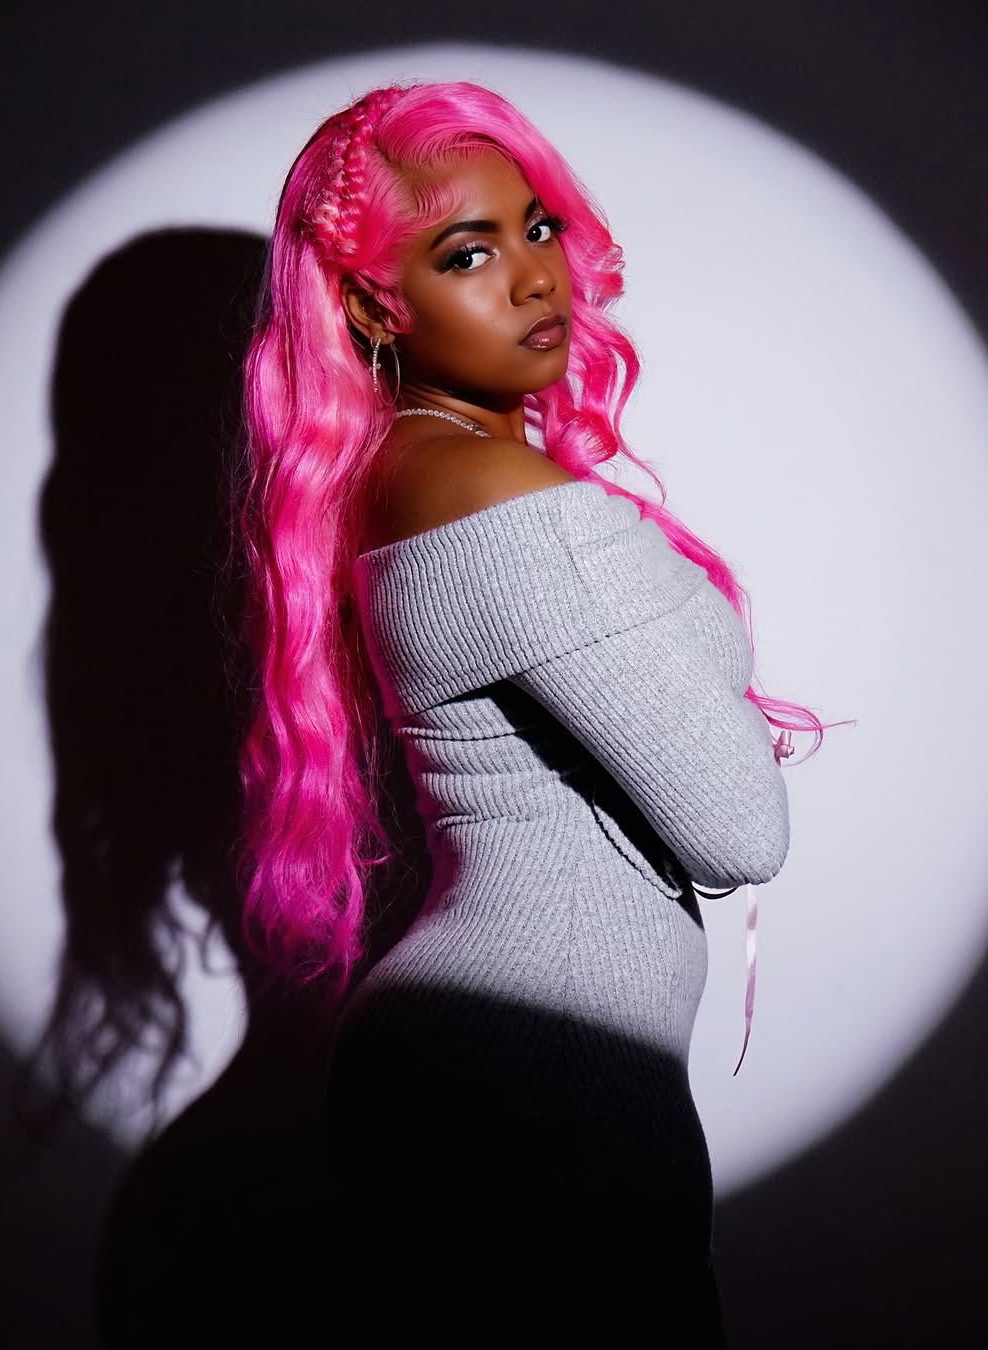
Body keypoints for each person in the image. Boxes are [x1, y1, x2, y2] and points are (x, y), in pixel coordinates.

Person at [237, 80, 828, 1338]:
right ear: (373, 304)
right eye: (467, 253)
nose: (533, 277)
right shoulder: (496, 495)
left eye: (537, 227)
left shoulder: (404, 469)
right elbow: (740, 830)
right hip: (539, 1065)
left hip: (495, 1057)